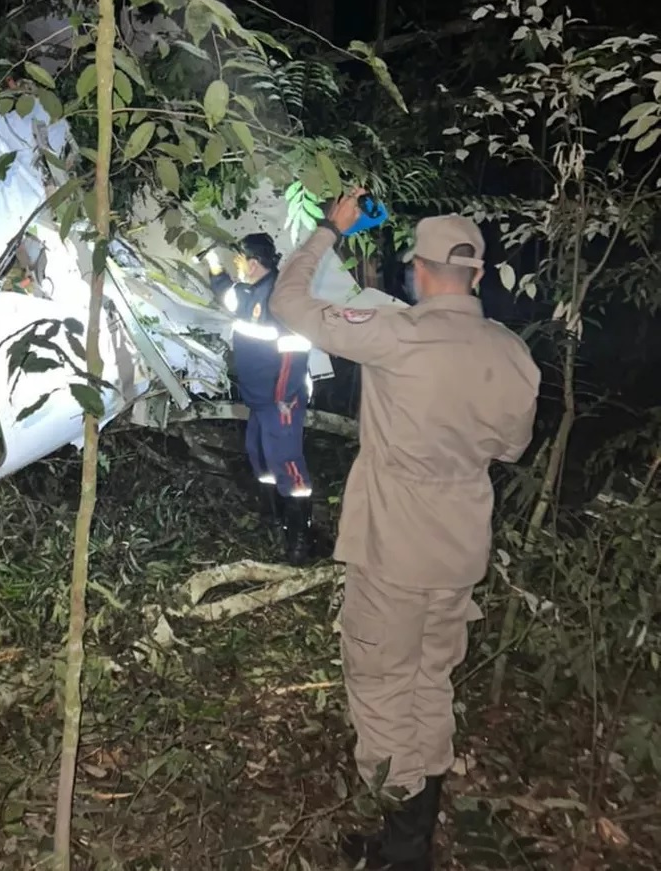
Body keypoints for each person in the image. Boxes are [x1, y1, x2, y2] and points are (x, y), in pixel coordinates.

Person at [269, 194, 541, 871]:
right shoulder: (513, 355)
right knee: (429, 681)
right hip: (459, 550)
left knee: (382, 685)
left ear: (417, 271)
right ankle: (412, 837)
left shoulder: (396, 333)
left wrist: (329, 229)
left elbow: (289, 303)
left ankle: (402, 843)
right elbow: (510, 448)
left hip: (393, 549)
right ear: (478, 275)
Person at [206, 232, 315, 564]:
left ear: (253, 263)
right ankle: (275, 517)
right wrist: (213, 265)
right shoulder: (246, 292)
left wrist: (283, 398)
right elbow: (225, 294)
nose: (237, 265)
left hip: (280, 400)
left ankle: (300, 537)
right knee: (260, 457)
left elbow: (294, 353)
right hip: (257, 400)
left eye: (239, 260)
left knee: (287, 462)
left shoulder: (280, 298)